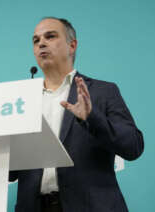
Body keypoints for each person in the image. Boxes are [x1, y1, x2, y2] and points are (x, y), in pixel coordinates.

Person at [9, 17, 144, 212]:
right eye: (36, 40)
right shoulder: (22, 101)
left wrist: (91, 118)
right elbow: (12, 172)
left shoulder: (102, 91)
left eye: (50, 36)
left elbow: (133, 146)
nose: (42, 43)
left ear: (72, 46)